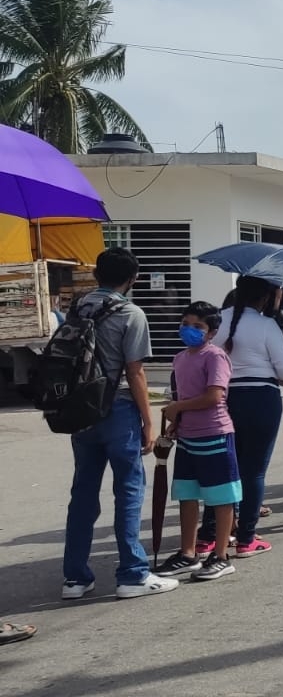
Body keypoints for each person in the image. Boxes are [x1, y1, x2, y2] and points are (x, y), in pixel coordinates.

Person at [62, 248, 179, 600]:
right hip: (120, 410)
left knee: (83, 492)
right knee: (128, 490)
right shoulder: (131, 313)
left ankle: (75, 578)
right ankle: (132, 574)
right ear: (133, 278)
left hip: (82, 411)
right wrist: (148, 421)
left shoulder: (77, 308)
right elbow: (136, 371)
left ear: (97, 274)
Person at [203, 276, 283, 559]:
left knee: (221, 468)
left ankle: (208, 536)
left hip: (221, 398)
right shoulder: (267, 325)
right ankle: (246, 538)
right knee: (253, 470)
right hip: (261, 399)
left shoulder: (216, 321)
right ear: (266, 297)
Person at [153, 301, 242, 581]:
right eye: (185, 324)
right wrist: (175, 424)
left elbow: (214, 396)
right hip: (188, 438)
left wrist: (178, 408)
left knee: (221, 498)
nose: (189, 330)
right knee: (187, 495)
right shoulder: (180, 358)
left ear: (212, 332)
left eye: (198, 326)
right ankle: (188, 553)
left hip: (214, 435)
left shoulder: (215, 357)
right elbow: (181, 396)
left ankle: (221, 555)